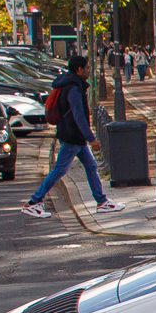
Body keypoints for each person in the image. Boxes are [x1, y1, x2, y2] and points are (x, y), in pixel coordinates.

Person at [21, 55, 122, 218]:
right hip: (72, 136)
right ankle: (33, 202)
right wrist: (91, 138)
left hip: (73, 135)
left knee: (91, 166)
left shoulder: (68, 83)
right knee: (60, 169)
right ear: (80, 69)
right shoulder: (74, 88)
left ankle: (102, 201)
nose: (89, 70)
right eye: (87, 68)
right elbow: (78, 115)